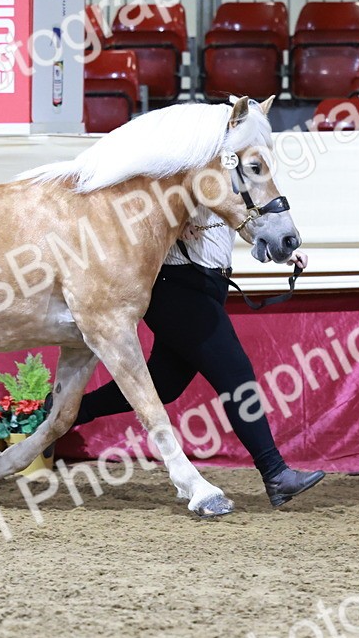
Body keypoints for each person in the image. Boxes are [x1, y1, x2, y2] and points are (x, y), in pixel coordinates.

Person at [66, 206, 326, 509]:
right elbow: (141, 207)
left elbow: (242, 220)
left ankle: (70, 412)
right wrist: (174, 222)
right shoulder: (184, 172)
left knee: (166, 383)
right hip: (178, 285)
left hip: (205, 285)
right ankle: (276, 474)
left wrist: (281, 250)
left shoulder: (223, 179)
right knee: (237, 376)